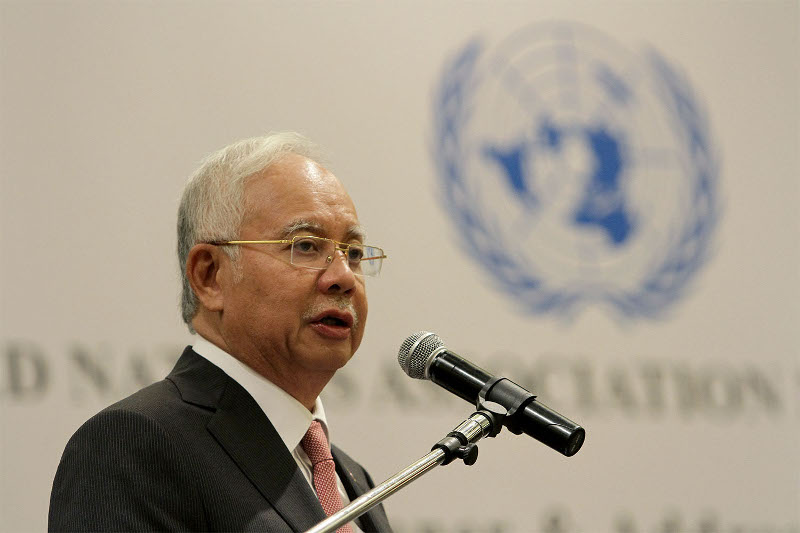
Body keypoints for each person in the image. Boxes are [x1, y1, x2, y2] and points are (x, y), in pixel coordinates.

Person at [48, 132, 392, 532]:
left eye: (352, 253)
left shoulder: (351, 479)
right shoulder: (135, 446)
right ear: (209, 275)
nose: (343, 278)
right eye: (305, 246)